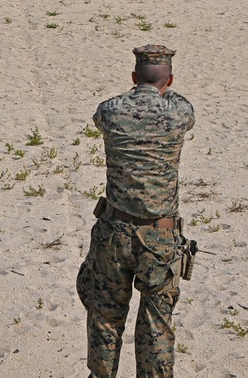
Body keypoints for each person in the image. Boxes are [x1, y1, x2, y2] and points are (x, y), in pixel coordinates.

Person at [77, 45, 195, 378]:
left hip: (114, 231)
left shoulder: (112, 111)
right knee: (157, 321)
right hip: (159, 236)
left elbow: (102, 114)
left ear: (133, 77)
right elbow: (182, 105)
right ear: (170, 79)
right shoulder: (178, 112)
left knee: (105, 315)